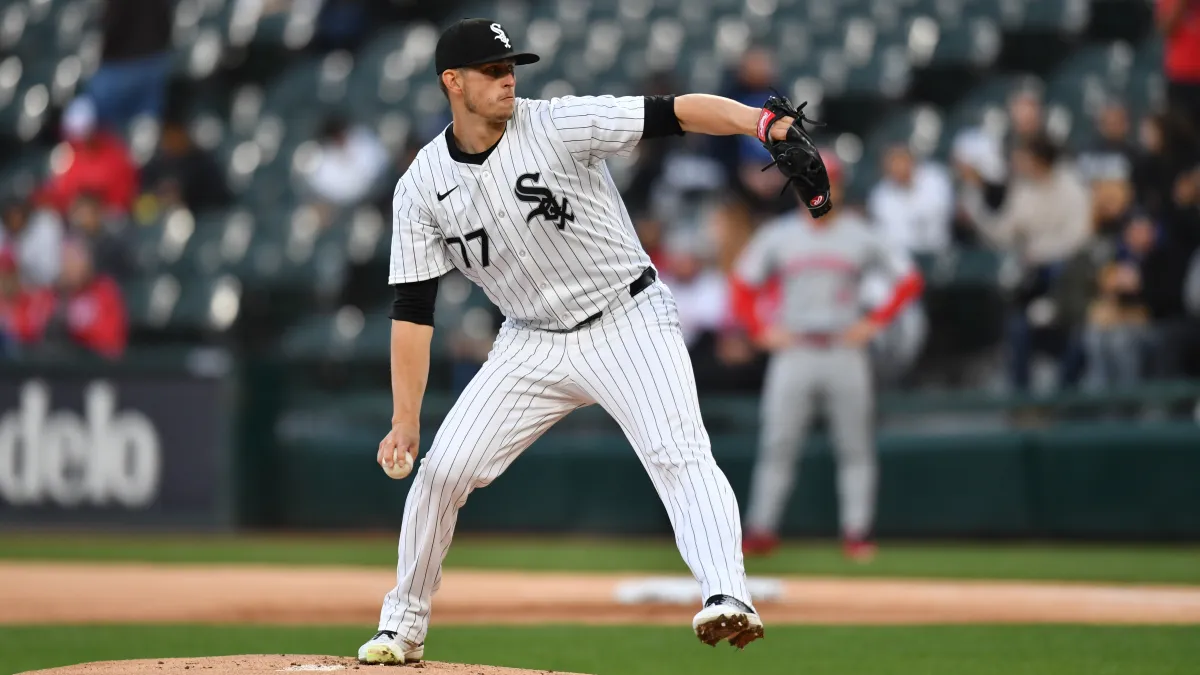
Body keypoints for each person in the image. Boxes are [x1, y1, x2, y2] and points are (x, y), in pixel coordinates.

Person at [357, 17, 830, 665]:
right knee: (441, 472)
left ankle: (728, 594)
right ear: (453, 82)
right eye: (492, 72)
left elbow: (676, 113)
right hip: (529, 341)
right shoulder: (421, 186)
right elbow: (413, 307)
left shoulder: (556, 123)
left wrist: (761, 124)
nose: (507, 80)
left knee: (679, 451)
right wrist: (404, 419)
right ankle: (400, 626)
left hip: (626, 317)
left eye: (510, 68)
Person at [729, 154, 924, 562]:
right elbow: (742, 285)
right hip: (795, 347)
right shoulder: (779, 235)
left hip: (843, 347)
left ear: (837, 186)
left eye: (825, 179)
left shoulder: (860, 234)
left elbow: (909, 280)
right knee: (778, 443)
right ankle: (762, 529)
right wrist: (759, 331)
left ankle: (857, 532)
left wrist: (875, 322)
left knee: (854, 446)